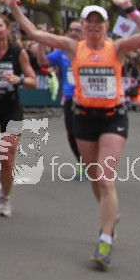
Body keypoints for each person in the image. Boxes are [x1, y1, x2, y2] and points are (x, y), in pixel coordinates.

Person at [5, 0, 140, 270]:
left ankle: (105, 239)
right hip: (84, 117)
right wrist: (13, 7)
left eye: (99, 22)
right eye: (90, 22)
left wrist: (129, 8)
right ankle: (109, 214)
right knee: (96, 177)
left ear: (106, 27)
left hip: (113, 117)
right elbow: (35, 34)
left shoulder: (117, 47)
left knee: (106, 178)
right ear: (83, 26)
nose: (94, 27)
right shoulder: (75, 47)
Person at [0, 13, 37, 217]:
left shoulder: (18, 52)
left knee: (7, 156)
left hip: (11, 109)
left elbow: (33, 80)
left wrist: (18, 80)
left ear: (7, 29)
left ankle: (5, 199)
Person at [43, 20, 85, 178]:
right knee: (72, 132)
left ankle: (92, 161)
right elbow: (43, 61)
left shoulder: (90, 49)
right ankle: (82, 162)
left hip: (88, 99)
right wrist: (40, 43)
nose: (73, 33)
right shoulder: (61, 52)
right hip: (70, 97)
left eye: (77, 30)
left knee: (87, 132)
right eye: (71, 30)